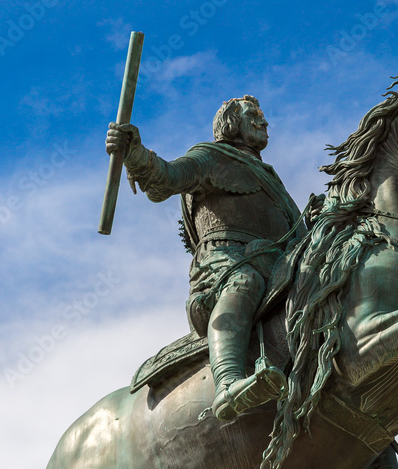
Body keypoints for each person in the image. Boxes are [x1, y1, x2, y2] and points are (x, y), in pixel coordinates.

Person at [106, 95, 304, 421]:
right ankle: (227, 385)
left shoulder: (272, 181)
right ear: (230, 122)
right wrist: (135, 153)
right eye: (253, 114)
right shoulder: (209, 157)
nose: (264, 121)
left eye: (263, 114)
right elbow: (165, 179)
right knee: (245, 281)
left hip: (276, 265)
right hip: (224, 265)